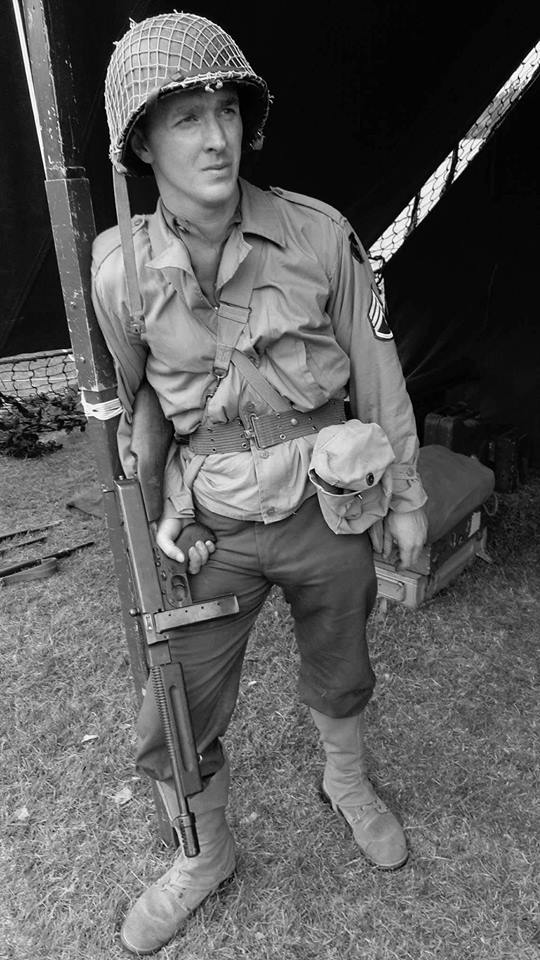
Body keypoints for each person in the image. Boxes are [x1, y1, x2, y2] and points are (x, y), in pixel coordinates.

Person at [92, 11, 428, 955]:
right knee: (173, 709)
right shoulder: (118, 271)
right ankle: (205, 854)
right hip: (215, 521)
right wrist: (157, 504)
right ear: (143, 144)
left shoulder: (320, 235)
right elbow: (139, 401)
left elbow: (378, 373)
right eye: (186, 117)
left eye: (225, 109)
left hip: (329, 502)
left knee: (342, 660)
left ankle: (346, 778)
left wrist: (404, 500)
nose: (216, 136)